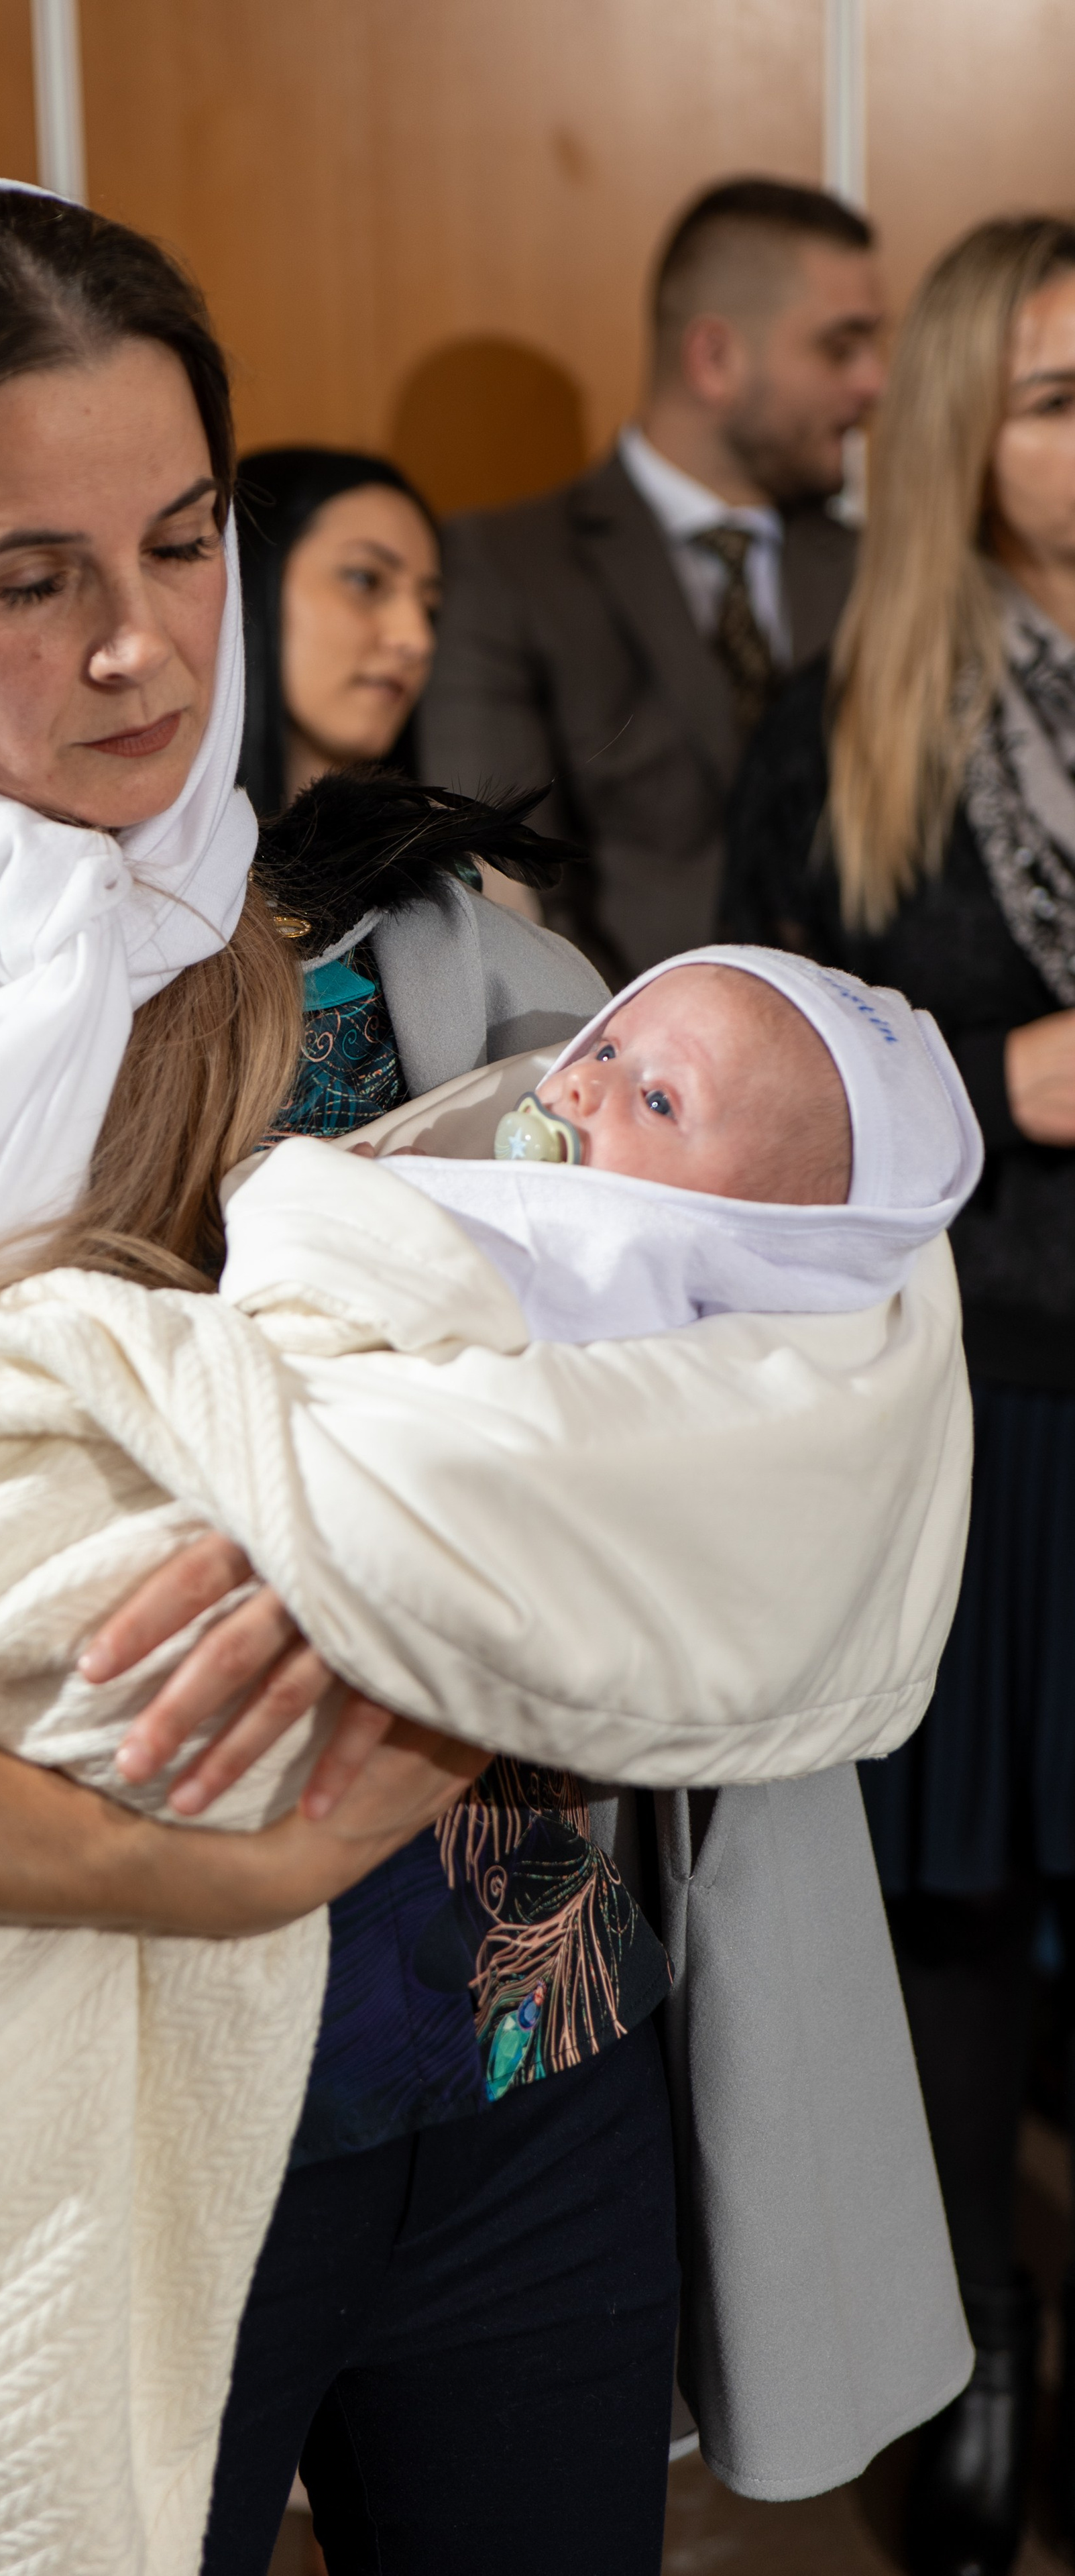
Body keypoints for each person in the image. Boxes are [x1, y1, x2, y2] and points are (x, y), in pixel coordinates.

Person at [0, 182, 966, 2576]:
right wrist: (183, 1868)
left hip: (516, 2086)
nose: (140, 654)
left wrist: (430, 1581)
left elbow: (811, 1361)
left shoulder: (431, 960)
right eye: (24, 579)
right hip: (48, 2150)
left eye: (187, 541)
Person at [0, 936, 976, 2573]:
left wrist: (411, 1551)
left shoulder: (470, 949)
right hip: (159, 2094)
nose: (585, 1081)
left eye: (645, 1083)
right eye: (608, 1055)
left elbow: (802, 1414)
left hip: (527, 2056)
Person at [722, 213, 1075, 2576]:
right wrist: (998, 1071)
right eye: (1058, 398)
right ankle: (973, 2357)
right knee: (954, 1926)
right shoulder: (842, 711)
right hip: (996, 1399)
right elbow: (745, 1081)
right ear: (962, 430)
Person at [422, 176, 886, 985]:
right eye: (839, 347)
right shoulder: (501, 568)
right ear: (714, 358)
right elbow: (497, 891)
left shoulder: (882, 571)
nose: (873, 384)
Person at [236, 447, 439, 814]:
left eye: (430, 608)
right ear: (248, 578)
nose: (418, 640)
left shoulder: (465, 868)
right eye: (366, 579)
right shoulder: (119, 864)